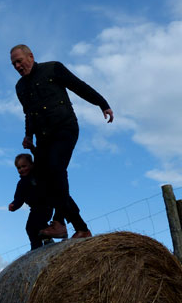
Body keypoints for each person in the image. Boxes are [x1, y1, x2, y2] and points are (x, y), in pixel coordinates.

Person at [10, 44, 114, 239]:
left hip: (64, 129)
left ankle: (59, 222)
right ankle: (80, 227)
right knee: (46, 180)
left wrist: (102, 103)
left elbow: (79, 86)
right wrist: (28, 135)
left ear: (30, 56)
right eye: (13, 64)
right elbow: (29, 113)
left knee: (56, 170)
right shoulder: (20, 87)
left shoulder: (53, 68)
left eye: (19, 61)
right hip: (43, 138)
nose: (17, 66)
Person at [8, 153, 56, 250]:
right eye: (18, 168)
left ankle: (48, 239)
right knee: (29, 227)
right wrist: (14, 205)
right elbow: (19, 198)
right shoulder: (21, 184)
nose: (21, 169)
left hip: (46, 206)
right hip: (34, 209)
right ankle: (35, 246)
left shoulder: (37, 176)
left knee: (39, 222)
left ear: (32, 165)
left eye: (24, 166)